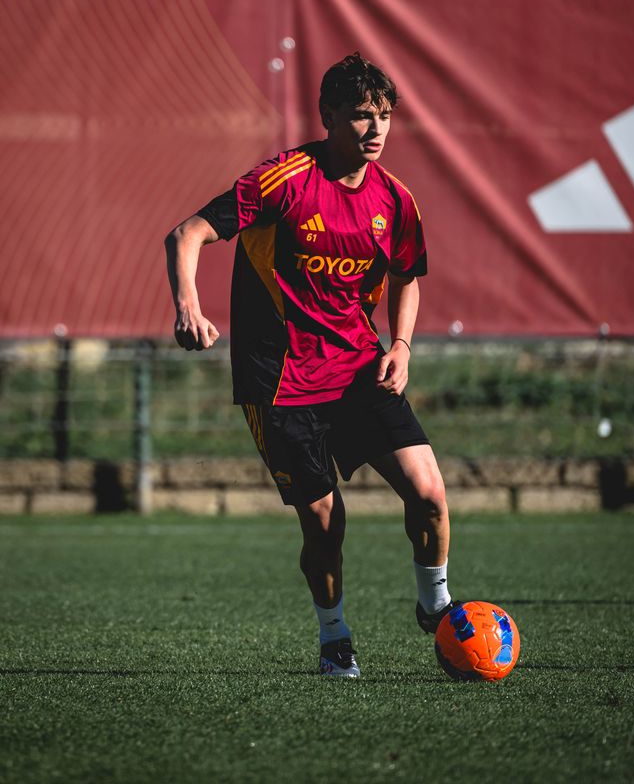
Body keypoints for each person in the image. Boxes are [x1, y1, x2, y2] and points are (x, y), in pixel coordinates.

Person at [165, 52, 454, 677]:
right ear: (327, 116)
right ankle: (334, 639)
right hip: (281, 382)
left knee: (430, 494)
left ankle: (437, 608)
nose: (374, 130)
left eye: (383, 116)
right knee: (326, 522)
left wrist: (401, 347)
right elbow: (185, 234)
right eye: (358, 116)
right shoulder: (284, 180)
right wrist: (189, 306)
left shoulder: (396, 200)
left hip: (359, 370)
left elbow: (408, 276)